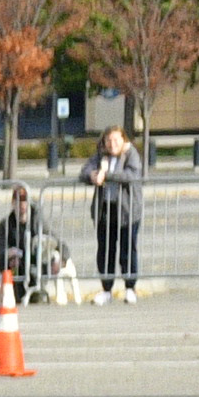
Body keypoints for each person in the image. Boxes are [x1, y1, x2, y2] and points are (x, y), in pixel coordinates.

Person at [89, 125, 147, 302]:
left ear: (124, 140)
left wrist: (106, 174)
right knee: (106, 251)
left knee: (127, 250)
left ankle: (130, 288)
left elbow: (131, 175)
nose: (112, 144)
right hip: (106, 209)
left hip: (127, 210)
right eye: (108, 140)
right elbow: (86, 169)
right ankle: (106, 290)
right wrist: (92, 174)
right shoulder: (101, 156)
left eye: (116, 140)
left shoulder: (131, 155)